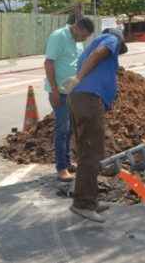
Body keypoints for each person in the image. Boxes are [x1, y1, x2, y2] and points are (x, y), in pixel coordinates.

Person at [62, 27, 128, 223]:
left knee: (87, 151)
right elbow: (102, 53)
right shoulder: (111, 39)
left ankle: (88, 200)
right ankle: (83, 204)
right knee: (92, 152)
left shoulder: (92, 46)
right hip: (88, 99)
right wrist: (79, 78)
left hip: (82, 98)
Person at [43, 15, 93, 182]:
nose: (84, 39)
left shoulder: (77, 40)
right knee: (62, 130)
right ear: (77, 27)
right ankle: (61, 168)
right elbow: (49, 63)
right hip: (59, 92)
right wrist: (54, 90)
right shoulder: (58, 36)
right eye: (84, 35)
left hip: (72, 92)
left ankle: (67, 161)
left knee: (70, 129)